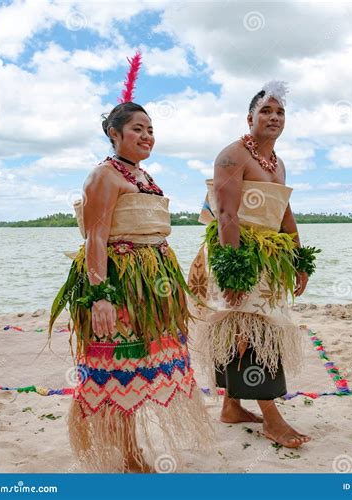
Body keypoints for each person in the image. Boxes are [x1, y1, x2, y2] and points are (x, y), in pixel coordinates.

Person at [49, 70, 212, 472]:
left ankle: (133, 449)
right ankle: (129, 455)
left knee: (141, 364)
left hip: (152, 288)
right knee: (118, 367)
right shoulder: (103, 176)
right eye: (137, 128)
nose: (147, 136)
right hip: (121, 285)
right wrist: (101, 296)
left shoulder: (142, 176)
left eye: (151, 130)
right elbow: (96, 239)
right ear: (114, 134)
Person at [188, 81, 319, 449]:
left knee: (249, 330)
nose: (274, 117)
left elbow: (283, 212)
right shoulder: (232, 156)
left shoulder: (278, 163)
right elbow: (227, 214)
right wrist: (234, 271)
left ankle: (231, 407)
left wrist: (297, 258)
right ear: (250, 118)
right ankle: (272, 420)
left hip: (268, 258)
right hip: (238, 253)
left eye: (280, 112)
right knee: (248, 330)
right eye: (266, 111)